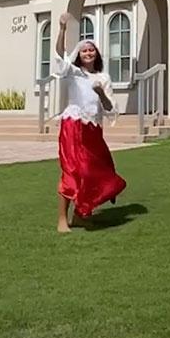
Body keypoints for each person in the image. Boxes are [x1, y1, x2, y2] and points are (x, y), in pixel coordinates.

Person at [53, 12, 127, 233]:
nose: (88, 52)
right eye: (84, 50)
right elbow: (58, 55)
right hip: (73, 126)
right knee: (73, 171)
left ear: (97, 54)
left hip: (93, 130)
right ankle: (62, 220)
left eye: (91, 49)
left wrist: (101, 93)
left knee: (96, 171)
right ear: (79, 55)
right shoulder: (74, 73)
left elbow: (110, 108)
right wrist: (62, 30)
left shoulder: (103, 78)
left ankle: (81, 214)